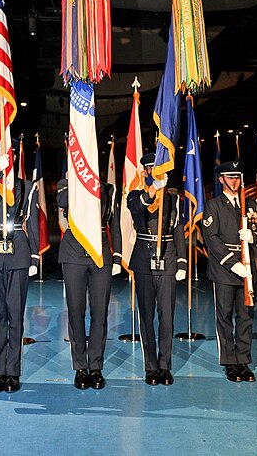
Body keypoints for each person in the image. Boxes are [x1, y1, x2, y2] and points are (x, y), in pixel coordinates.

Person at [0, 147, 39, 393]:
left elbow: (31, 222)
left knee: (15, 314)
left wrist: (33, 257)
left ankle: (12, 371)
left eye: (9, 157)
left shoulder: (26, 185)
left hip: (19, 253)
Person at [202, 160, 257, 382]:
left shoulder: (251, 205)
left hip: (248, 268)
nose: (235, 181)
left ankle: (243, 361)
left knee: (246, 316)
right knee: (224, 316)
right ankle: (230, 362)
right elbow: (211, 239)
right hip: (225, 270)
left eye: (237, 177)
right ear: (221, 179)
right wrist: (233, 263)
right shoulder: (213, 205)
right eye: (230, 177)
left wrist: (253, 237)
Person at [127, 153, 187, 386]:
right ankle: (151, 367)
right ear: (145, 172)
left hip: (168, 258)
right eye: (152, 169)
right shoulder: (135, 193)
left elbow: (179, 230)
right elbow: (136, 209)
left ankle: (165, 365)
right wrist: (152, 190)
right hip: (144, 259)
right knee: (147, 316)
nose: (156, 173)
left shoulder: (173, 198)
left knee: (167, 317)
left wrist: (181, 261)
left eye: (160, 169)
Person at [56, 179, 122, 390]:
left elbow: (114, 222)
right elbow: (61, 201)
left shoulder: (108, 189)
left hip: (100, 255)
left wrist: (118, 256)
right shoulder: (66, 184)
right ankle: (80, 367)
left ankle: (95, 366)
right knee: (76, 312)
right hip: (73, 253)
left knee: (100, 312)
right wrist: (77, 183)